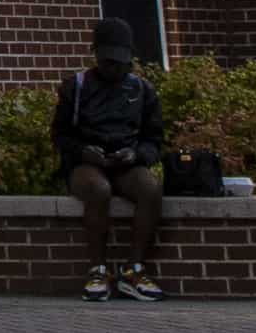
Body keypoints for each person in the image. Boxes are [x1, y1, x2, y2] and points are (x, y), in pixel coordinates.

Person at [51, 21, 171, 299]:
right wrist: (82, 151)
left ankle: (134, 270)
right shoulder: (76, 87)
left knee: (150, 188)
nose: (114, 69)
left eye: (120, 63)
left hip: (126, 161)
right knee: (98, 189)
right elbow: (60, 135)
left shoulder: (142, 90)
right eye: (107, 62)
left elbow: (155, 139)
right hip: (86, 162)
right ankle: (98, 270)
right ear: (96, 56)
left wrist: (136, 155)